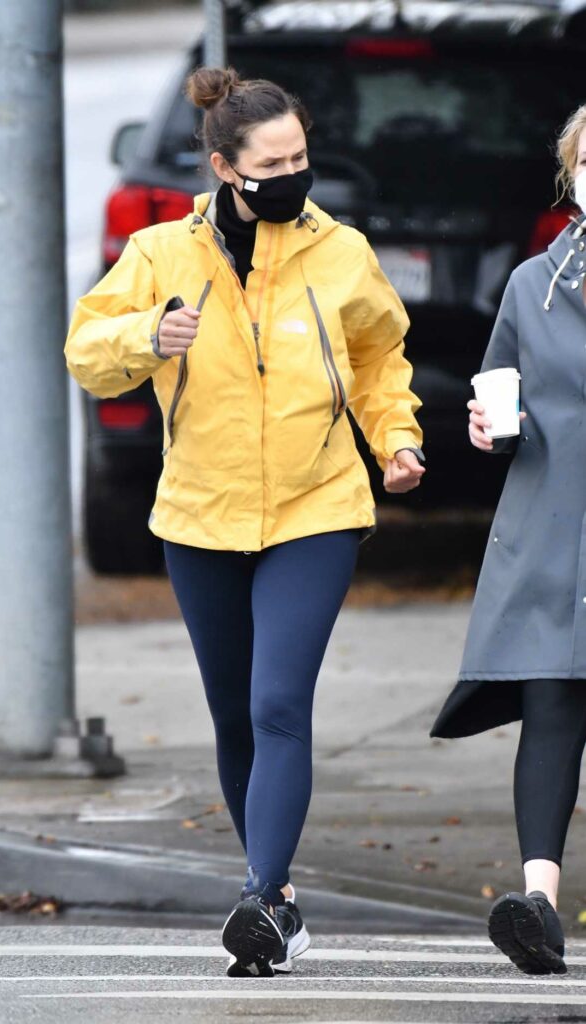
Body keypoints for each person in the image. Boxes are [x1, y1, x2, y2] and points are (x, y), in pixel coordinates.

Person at [65, 66, 424, 977]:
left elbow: (382, 357)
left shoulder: (338, 250)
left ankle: (259, 896)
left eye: (301, 155)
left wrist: (396, 441)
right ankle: (282, 903)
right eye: (273, 161)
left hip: (316, 506)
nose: (292, 172)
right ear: (226, 167)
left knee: (276, 705)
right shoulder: (159, 254)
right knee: (233, 715)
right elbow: (85, 352)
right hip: (199, 513)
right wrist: (148, 336)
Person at [431, 105, 586, 976]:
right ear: (570, 173)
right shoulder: (535, 281)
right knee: (553, 710)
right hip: (552, 529)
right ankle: (538, 906)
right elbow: (500, 397)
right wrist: (489, 429)